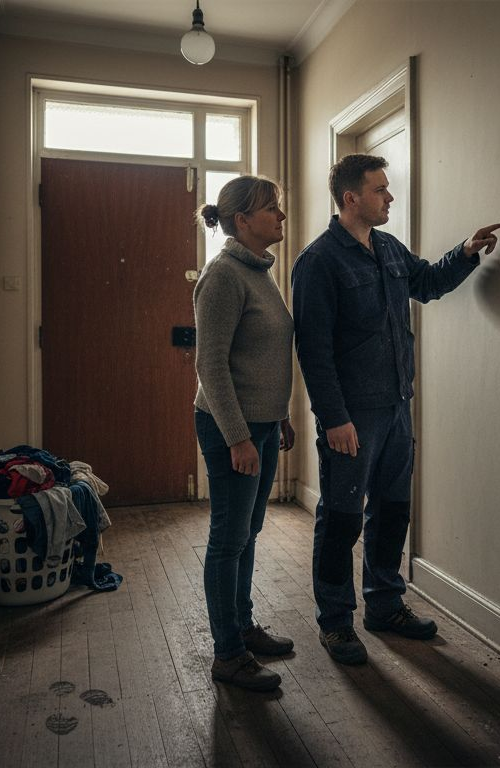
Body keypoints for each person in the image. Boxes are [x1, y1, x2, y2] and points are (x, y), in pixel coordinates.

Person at [291, 153, 500, 665]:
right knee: (341, 520)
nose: (389, 198)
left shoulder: (386, 248)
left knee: (392, 513)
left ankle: (384, 605)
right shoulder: (318, 262)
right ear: (351, 198)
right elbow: (314, 351)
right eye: (380, 190)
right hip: (352, 417)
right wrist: (334, 417)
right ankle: (336, 622)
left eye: (387, 189)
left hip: (396, 407)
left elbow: (426, 283)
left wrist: (467, 253)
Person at [193, 175, 298, 691]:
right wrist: (237, 437)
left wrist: (280, 414)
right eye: (271, 209)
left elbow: (262, 354)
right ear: (242, 221)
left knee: (248, 533)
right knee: (228, 538)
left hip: (259, 421)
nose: (280, 216)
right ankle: (228, 654)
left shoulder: (258, 271)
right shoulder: (223, 276)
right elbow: (210, 365)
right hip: (227, 424)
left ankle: (241, 624)